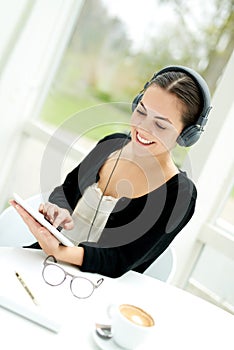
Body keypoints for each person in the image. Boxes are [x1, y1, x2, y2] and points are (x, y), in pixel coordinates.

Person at [10, 65, 211, 278]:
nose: (143, 127)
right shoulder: (111, 144)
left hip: (94, 290)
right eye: (141, 111)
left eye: (161, 126)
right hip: (39, 263)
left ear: (187, 134)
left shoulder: (179, 194)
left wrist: (60, 251)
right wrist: (58, 212)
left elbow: (118, 259)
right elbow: (66, 192)